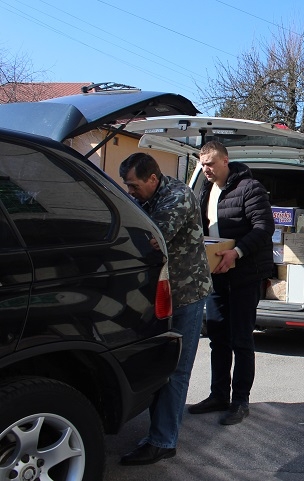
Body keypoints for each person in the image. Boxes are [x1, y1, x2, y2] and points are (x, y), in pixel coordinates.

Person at [118, 153, 212, 465]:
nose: (131, 191)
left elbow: (151, 239)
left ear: (153, 179)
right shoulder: (148, 195)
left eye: (134, 186)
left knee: (176, 369)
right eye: (127, 186)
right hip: (160, 295)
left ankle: (163, 440)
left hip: (186, 295)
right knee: (158, 364)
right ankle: (157, 429)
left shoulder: (178, 197)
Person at [187, 141, 275, 425]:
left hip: (244, 275)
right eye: (202, 164)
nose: (205, 169)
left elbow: (264, 228)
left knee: (241, 339)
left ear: (225, 160)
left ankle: (240, 401)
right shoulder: (205, 189)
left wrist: (237, 252)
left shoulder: (250, 188)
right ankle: (218, 395)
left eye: (210, 163)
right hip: (216, 274)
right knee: (217, 338)